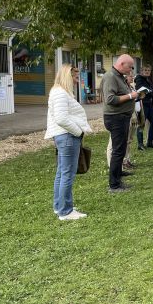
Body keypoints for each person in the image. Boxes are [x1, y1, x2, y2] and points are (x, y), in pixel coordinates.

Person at [45, 64, 92, 220]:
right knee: (67, 173)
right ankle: (66, 211)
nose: (77, 80)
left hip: (64, 136)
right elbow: (61, 118)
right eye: (75, 77)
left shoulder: (60, 92)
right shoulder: (60, 93)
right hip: (67, 136)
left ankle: (59, 206)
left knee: (61, 172)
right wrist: (78, 132)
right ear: (67, 76)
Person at [102, 54, 140, 193]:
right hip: (115, 118)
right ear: (122, 63)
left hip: (122, 117)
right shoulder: (110, 77)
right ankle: (114, 185)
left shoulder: (119, 77)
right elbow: (110, 99)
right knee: (118, 151)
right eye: (129, 67)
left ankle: (118, 174)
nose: (130, 70)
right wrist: (131, 96)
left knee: (121, 149)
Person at [107, 70, 140, 169]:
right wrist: (131, 96)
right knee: (113, 144)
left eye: (133, 75)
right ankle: (112, 165)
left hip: (132, 116)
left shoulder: (131, 87)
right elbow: (114, 100)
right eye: (130, 76)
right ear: (124, 77)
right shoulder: (119, 88)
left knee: (128, 140)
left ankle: (126, 160)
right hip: (120, 117)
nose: (132, 77)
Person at [135, 64, 153, 149]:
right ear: (141, 71)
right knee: (141, 124)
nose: (147, 72)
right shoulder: (138, 78)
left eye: (149, 70)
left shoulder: (148, 80)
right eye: (145, 70)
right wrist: (151, 91)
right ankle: (140, 144)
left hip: (150, 104)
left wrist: (152, 91)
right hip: (143, 104)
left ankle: (149, 142)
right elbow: (141, 89)